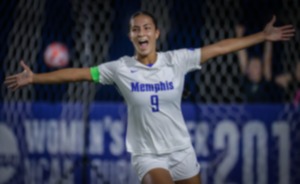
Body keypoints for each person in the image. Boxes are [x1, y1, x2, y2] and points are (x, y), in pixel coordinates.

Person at [4, 11, 295, 184]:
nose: (141, 33)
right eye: (135, 29)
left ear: (156, 33)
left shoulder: (177, 60)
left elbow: (220, 48)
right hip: (148, 155)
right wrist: (35, 78)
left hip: (182, 150)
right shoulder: (120, 68)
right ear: (131, 36)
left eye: (146, 28)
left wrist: (261, 36)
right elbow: (77, 74)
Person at [235, 25, 284, 103]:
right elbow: (242, 58)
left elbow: (267, 59)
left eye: (256, 66)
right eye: (251, 65)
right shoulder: (246, 80)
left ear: (262, 70)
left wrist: (269, 39)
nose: (252, 68)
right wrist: (239, 36)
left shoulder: (265, 81)